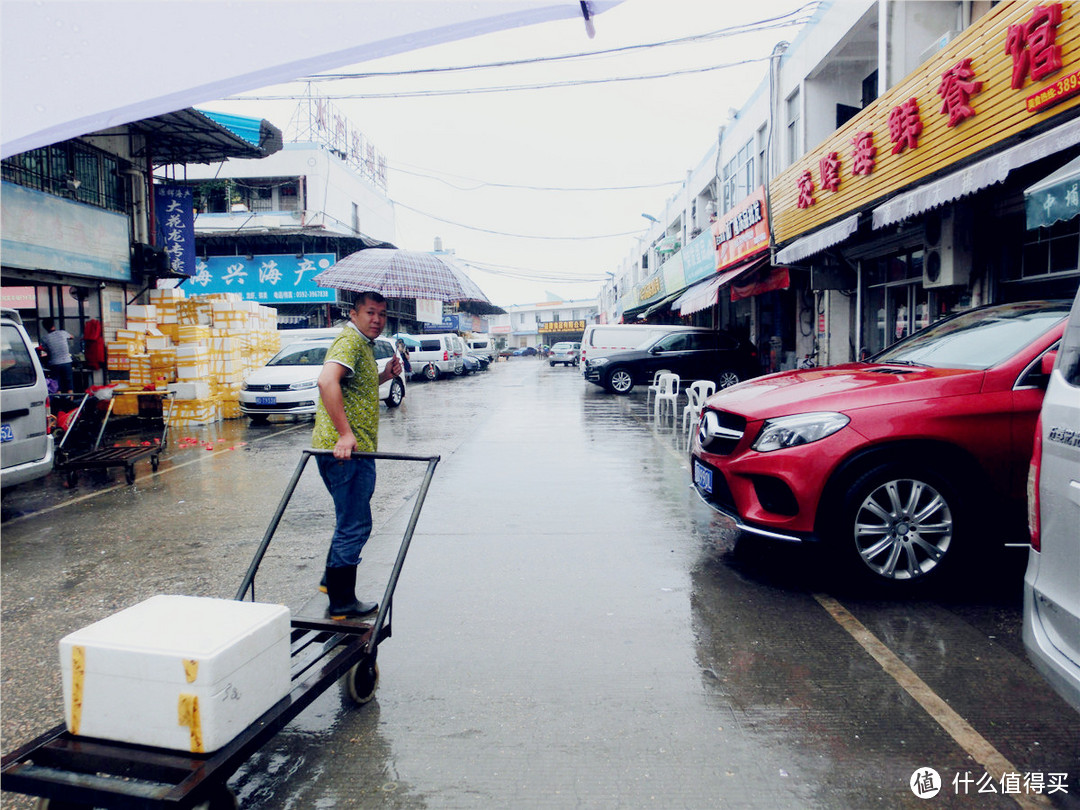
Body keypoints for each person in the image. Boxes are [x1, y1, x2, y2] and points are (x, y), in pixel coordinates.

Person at [312, 291, 402, 620]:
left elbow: (353, 387)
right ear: (354, 314)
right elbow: (326, 382)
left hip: (350, 450)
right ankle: (341, 602)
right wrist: (346, 434)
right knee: (356, 524)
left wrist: (385, 376)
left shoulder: (362, 344)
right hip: (347, 452)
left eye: (382, 314)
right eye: (370, 312)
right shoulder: (349, 341)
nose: (377, 319)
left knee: (350, 521)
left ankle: (331, 582)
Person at [40, 318, 74, 393]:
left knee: (56, 385)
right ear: (54, 325)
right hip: (66, 362)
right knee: (69, 385)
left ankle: (58, 401)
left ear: (45, 327)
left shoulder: (45, 338)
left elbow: (45, 349)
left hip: (54, 363)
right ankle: (70, 401)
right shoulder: (63, 333)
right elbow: (72, 337)